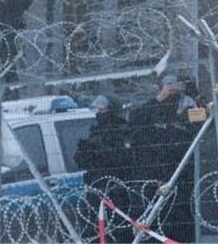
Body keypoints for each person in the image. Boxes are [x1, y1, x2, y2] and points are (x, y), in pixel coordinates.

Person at [128, 75, 200, 242]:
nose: (172, 89)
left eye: (175, 85)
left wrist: (196, 96)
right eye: (168, 85)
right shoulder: (149, 114)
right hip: (152, 183)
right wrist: (159, 98)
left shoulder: (186, 114)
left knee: (181, 229)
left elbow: (209, 118)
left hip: (180, 182)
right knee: (155, 230)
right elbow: (135, 120)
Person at [74, 95, 132, 242]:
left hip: (118, 192)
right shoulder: (95, 130)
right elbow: (82, 162)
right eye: (98, 109)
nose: (99, 112)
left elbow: (123, 158)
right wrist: (84, 151)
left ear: (112, 110)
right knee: (96, 231)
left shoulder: (123, 130)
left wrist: (101, 152)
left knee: (119, 232)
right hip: (96, 190)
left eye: (103, 109)